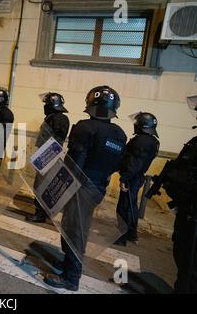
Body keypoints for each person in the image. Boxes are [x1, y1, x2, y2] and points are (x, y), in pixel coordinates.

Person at [44, 85, 127, 291]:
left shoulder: (85, 127)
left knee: (75, 231)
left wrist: (62, 186)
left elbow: (74, 163)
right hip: (98, 187)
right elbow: (118, 164)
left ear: (90, 103)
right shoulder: (119, 134)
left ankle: (71, 278)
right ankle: (68, 263)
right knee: (75, 227)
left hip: (79, 186)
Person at [147, 96, 197, 293]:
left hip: (193, 217)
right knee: (184, 262)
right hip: (187, 211)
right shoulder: (194, 142)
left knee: (190, 266)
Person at [114, 112, 159, 246]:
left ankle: (122, 237)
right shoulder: (151, 140)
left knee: (124, 207)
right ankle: (131, 235)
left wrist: (125, 177)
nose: (135, 124)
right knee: (131, 206)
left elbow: (136, 162)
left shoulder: (142, 141)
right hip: (136, 176)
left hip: (132, 177)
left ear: (142, 125)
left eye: (137, 122)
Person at [26, 92, 69, 223]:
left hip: (50, 155)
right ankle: (43, 212)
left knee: (41, 185)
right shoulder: (53, 117)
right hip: (46, 155)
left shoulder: (59, 118)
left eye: (47, 104)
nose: (45, 106)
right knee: (42, 184)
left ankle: (40, 214)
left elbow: (55, 138)